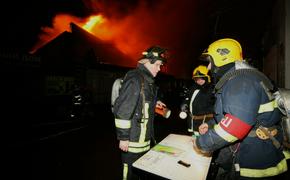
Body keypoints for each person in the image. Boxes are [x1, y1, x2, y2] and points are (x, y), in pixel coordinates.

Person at [192, 38, 288, 179]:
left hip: (255, 161)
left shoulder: (241, 82)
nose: (208, 68)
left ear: (221, 58)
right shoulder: (245, 77)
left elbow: (235, 126)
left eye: (210, 62)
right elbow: (239, 113)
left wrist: (201, 143)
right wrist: (211, 124)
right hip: (257, 150)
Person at [113, 45, 168, 180]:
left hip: (144, 139)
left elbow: (142, 102)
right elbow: (123, 111)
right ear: (147, 62)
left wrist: (156, 103)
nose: (159, 69)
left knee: (141, 173)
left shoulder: (148, 81)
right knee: (130, 173)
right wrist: (124, 138)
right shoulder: (135, 78)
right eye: (157, 65)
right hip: (132, 141)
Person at [179, 65, 215, 136]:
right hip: (192, 122)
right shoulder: (193, 88)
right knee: (193, 142)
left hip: (204, 124)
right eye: (197, 79)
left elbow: (216, 106)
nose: (199, 81)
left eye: (202, 78)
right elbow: (187, 99)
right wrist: (184, 105)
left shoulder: (212, 89)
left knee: (203, 144)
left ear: (207, 77)